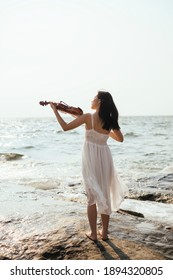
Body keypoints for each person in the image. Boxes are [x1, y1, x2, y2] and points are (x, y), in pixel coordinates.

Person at [50, 91, 128, 241]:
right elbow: (120, 139)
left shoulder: (87, 117)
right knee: (105, 192)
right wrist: (106, 132)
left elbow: (65, 127)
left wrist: (55, 111)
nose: (91, 99)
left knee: (91, 196)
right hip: (105, 157)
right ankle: (104, 233)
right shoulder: (109, 120)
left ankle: (94, 234)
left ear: (99, 101)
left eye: (94, 97)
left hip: (91, 158)